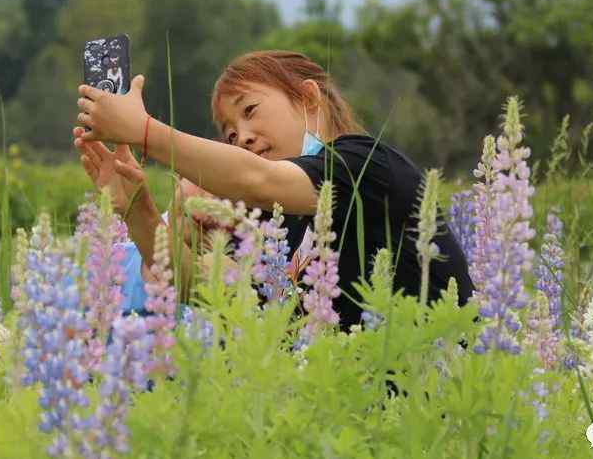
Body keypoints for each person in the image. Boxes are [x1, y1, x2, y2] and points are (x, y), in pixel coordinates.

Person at [73, 50, 474, 330]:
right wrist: (135, 208)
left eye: (250, 111)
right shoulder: (274, 222)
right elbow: (201, 288)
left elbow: (258, 181)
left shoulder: (367, 164)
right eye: (231, 133)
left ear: (308, 98)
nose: (243, 137)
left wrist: (143, 132)